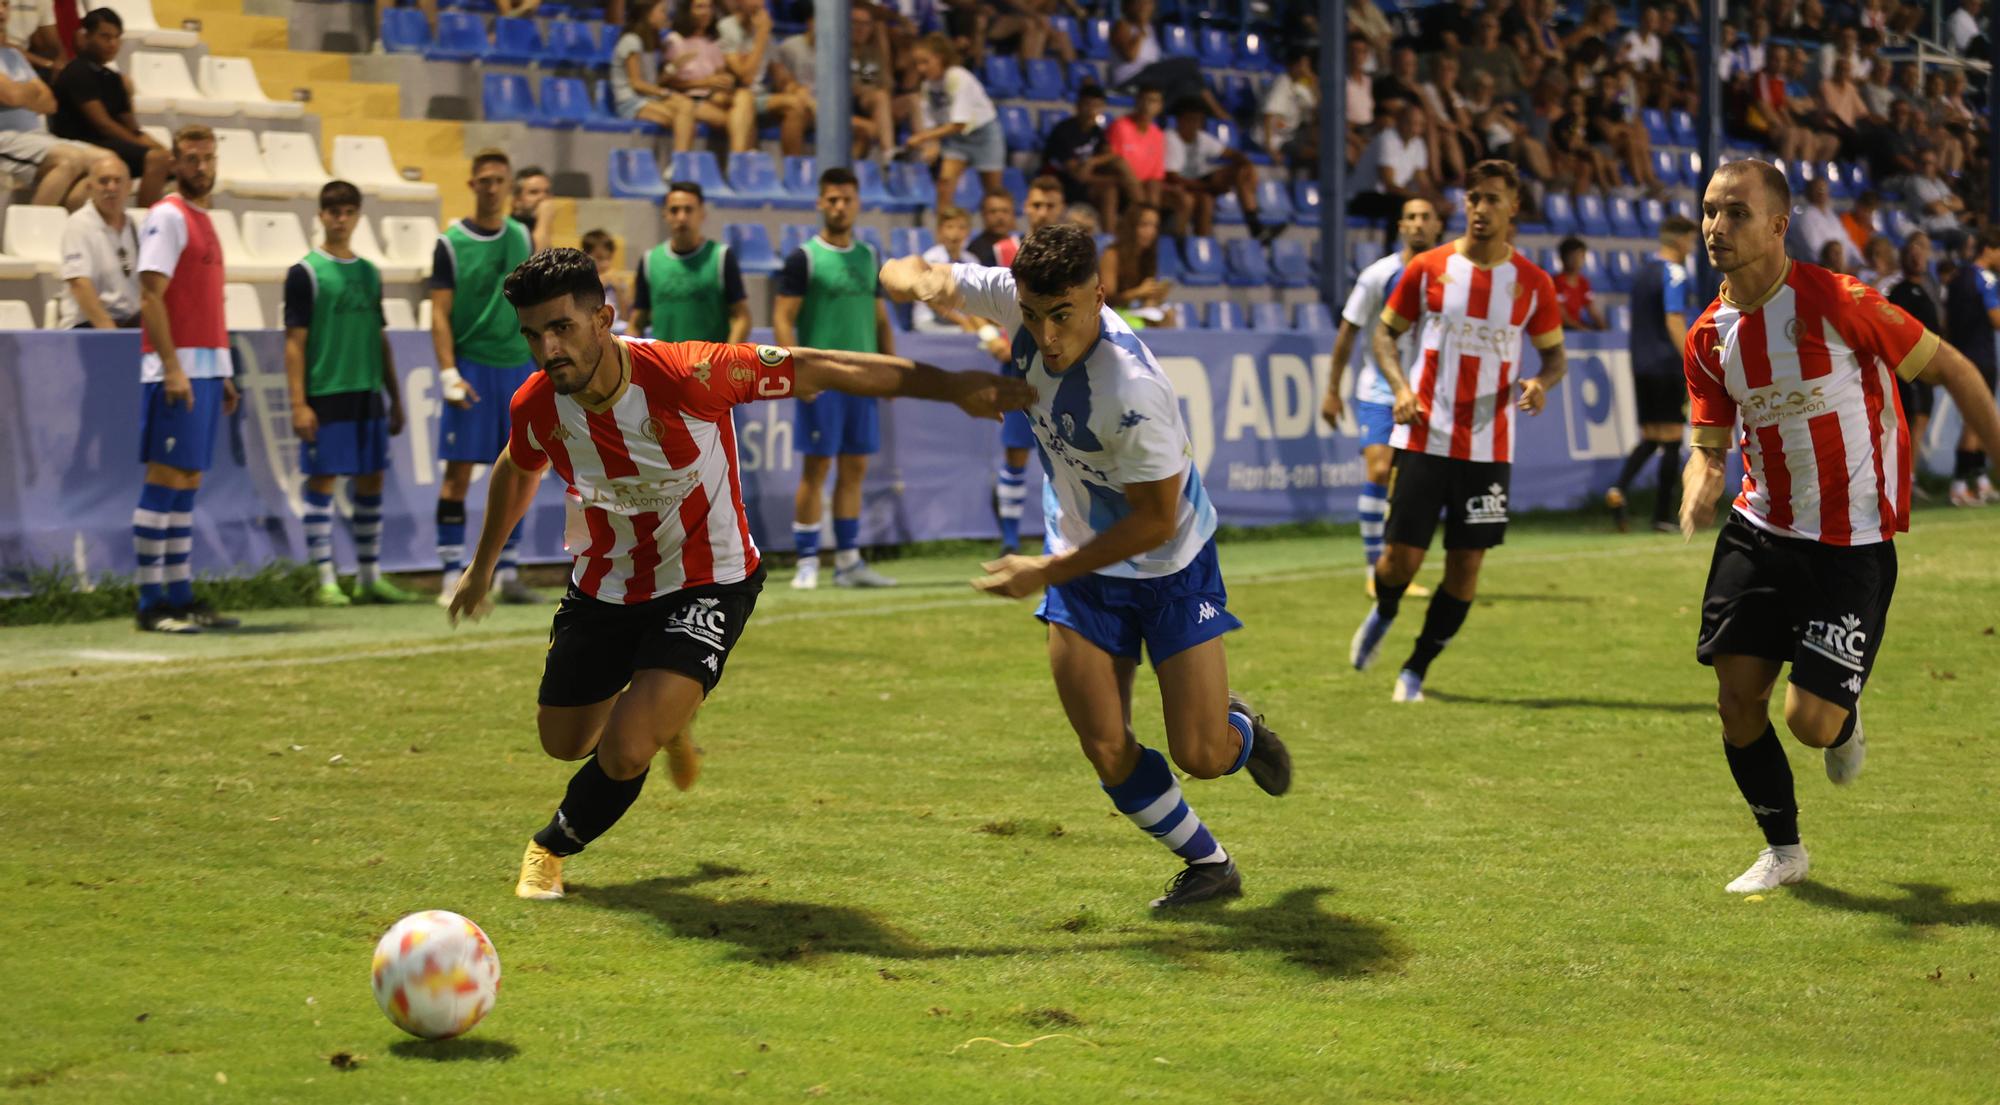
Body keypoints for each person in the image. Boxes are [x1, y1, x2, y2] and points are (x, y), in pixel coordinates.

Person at [449, 248, 1032, 900]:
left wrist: (950, 386)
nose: (546, 348)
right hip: (607, 586)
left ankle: (551, 844)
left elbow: (823, 364)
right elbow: (517, 464)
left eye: (561, 327)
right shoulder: (539, 403)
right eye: (533, 333)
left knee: (624, 749)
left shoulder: (689, 372)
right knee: (563, 740)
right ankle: (667, 706)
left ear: (604, 317)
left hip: (710, 580)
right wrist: (481, 566)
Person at [881, 225, 1295, 909]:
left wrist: (1044, 570)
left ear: (1099, 296)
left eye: (1063, 315)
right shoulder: (1018, 301)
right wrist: (927, 280)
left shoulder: (1131, 392)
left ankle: (1241, 728)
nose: (1046, 334)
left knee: (1202, 753)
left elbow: (1154, 521)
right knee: (1104, 744)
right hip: (1080, 565)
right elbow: (897, 268)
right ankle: (1210, 863)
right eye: (1035, 313)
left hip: (1169, 567)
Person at [1678, 159, 2000, 893]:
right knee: (1735, 699)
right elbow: (1709, 445)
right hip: (1759, 529)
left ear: (1778, 225)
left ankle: (1845, 716)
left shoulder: (1838, 301)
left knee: (1812, 723)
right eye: (1709, 211)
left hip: (1850, 542)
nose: (1716, 227)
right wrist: (1700, 484)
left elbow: (1955, 369)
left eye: (1735, 213)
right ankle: (1784, 850)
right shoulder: (1707, 338)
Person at [1348, 160, 1568, 703]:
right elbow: (1383, 334)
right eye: (1473, 198)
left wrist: (1541, 382)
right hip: (1425, 436)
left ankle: (1415, 669)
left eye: (1493, 199)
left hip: (1490, 449)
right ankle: (1386, 608)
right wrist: (1400, 387)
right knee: (1401, 562)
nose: (1480, 208)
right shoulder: (1428, 268)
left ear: (1513, 207)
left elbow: (1556, 356)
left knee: (1466, 568)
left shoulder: (1533, 283)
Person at [131, 126, 241, 634]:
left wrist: (224, 371)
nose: (201, 167)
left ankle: (180, 594)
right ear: (175, 163)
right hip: (174, 373)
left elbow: (206, 305)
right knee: (166, 478)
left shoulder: (204, 220)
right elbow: (150, 297)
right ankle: (151, 602)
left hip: (205, 371)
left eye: (208, 158)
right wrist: (173, 367)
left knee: (188, 483)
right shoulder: (168, 216)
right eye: (192, 159)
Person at [284, 181, 415, 608]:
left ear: (358, 216)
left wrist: (394, 394)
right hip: (327, 391)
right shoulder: (305, 272)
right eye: (332, 210)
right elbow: (294, 342)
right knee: (322, 481)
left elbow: (380, 338)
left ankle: (367, 576)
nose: (340, 218)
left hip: (367, 391)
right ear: (321, 215)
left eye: (348, 211)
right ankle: (324, 577)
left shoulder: (370, 272)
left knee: (371, 479)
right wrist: (299, 402)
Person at [429, 149, 541, 607]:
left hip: (518, 368)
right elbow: (438, 312)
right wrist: (448, 372)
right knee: (458, 474)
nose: (492, 187)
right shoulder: (450, 243)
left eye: (500, 180)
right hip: (473, 366)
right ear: (472, 185)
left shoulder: (523, 236)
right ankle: (449, 574)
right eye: (485, 180)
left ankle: (507, 572)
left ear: (509, 186)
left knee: (523, 469)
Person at [777, 167, 897, 589]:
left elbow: (880, 317)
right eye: (832, 199)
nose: (840, 206)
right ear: (820, 203)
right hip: (822, 381)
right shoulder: (803, 258)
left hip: (863, 380)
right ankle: (807, 561)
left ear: (857, 202)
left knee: (855, 468)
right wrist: (794, 371)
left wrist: (892, 369)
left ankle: (848, 562)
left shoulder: (869, 256)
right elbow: (783, 317)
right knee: (817, 468)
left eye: (847, 198)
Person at [1322, 196, 1444, 595]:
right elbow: (1348, 332)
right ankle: (1375, 568)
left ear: (1438, 225)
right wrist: (1332, 390)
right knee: (1378, 470)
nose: (1418, 224)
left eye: (1425, 217)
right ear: (1400, 227)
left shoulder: (1449, 276)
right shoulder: (1378, 275)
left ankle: (1396, 565)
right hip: (1378, 388)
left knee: (1410, 483)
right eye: (1410, 217)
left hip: (1428, 393)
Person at [1605, 215, 1697, 533]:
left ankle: (1618, 488)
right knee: (1672, 440)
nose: (1692, 247)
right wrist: (1690, 360)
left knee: (1651, 436)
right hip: (1665, 364)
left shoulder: (1643, 271)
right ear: (1681, 240)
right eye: (1691, 240)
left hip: (1641, 363)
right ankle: (1662, 516)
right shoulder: (1674, 273)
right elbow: (1673, 319)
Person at [48, 7, 171, 206]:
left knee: (168, 160)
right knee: (156, 160)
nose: (112, 44)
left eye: (116, 37)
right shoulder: (77, 71)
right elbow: (103, 124)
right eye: (105, 36)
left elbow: (133, 127)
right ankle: (147, 224)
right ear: (85, 37)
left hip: (111, 144)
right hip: (81, 142)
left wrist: (166, 152)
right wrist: (144, 148)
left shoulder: (114, 79)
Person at [0, 0, 95, 209]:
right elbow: (13, 96)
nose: (1, 11)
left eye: (5, 4)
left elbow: (50, 103)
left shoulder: (14, 56)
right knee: (68, 161)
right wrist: (30, 92)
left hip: (34, 137)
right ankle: (32, 235)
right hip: (5, 139)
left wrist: (21, 92)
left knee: (105, 164)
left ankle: (64, 234)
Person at [630, 181, 749, 344]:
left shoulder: (721, 257)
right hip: (663, 365)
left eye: (688, 209)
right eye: (674, 210)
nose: (682, 217)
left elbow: (742, 317)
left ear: (702, 213)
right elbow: (637, 321)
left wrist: (727, 357)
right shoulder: (650, 260)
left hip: (708, 366)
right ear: (665, 214)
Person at [902, 34, 1002, 216]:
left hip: (983, 135)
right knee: (945, 185)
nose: (921, 68)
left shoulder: (958, 77)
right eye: (917, 63)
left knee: (993, 193)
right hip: (956, 141)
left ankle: (997, 236)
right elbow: (931, 123)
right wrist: (933, 144)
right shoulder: (927, 86)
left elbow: (959, 124)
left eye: (925, 62)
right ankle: (944, 235)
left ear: (941, 57)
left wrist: (922, 138)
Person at [1163, 98, 1274, 243]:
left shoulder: (1201, 138)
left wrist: (1247, 165)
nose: (1194, 125)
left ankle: (1253, 223)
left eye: (1198, 121)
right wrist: (1209, 187)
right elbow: (1173, 178)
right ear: (1179, 120)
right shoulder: (1170, 138)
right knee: (1205, 200)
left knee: (1244, 170)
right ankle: (1185, 244)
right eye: (1191, 120)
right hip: (1177, 186)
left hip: (1199, 182)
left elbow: (1232, 154)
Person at [1942, 228, 2000, 505]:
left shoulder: (1957, 279)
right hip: (1982, 356)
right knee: (1976, 423)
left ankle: (1979, 481)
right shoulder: (1985, 279)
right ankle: (1959, 483)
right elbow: (1996, 318)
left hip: (1961, 354)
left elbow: (1946, 320)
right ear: (1989, 249)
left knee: (1973, 421)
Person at [663, 0, 756, 162]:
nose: (706, 12)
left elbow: (719, 75)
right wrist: (704, 83)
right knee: (741, 123)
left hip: (713, 97)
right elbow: (667, 83)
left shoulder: (713, 43)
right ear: (688, 11)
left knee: (744, 97)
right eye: (700, 7)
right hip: (688, 100)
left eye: (709, 7)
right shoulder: (675, 40)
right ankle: (740, 162)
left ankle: (738, 163)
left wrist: (724, 81)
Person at [718, 0, 813, 158]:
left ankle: (793, 168)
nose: (758, 3)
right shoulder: (727, 26)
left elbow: (780, 76)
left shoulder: (766, 32)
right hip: (734, 94)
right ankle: (739, 164)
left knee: (796, 104)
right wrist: (761, 35)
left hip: (760, 96)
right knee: (745, 98)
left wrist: (796, 89)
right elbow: (746, 78)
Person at [56, 152, 138, 329]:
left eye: (118, 181)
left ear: (129, 186)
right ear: (89, 186)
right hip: (88, 326)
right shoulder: (79, 225)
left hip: (129, 322)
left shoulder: (134, 225)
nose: (111, 187)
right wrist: (110, 334)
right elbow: (79, 284)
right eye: (104, 181)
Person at [1042, 84, 1135, 234]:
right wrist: (1113, 180)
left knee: (1119, 165)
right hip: (1063, 184)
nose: (1092, 110)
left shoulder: (1096, 131)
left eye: (1097, 106)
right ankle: (1110, 238)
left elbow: (1111, 154)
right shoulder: (1063, 131)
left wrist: (1092, 161)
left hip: (1085, 181)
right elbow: (1077, 176)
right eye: (1088, 105)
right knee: (1110, 190)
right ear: (1078, 105)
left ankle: (1141, 210)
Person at [609, 0, 698, 150]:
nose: (665, 16)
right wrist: (666, 93)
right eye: (662, 11)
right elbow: (636, 84)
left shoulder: (651, 41)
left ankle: (679, 162)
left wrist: (673, 67)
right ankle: (680, 164)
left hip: (648, 98)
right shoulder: (631, 41)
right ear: (647, 14)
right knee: (682, 120)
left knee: (687, 105)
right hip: (631, 102)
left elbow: (653, 81)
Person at [1100, 203, 1172, 323]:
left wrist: (1155, 295)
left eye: (1155, 226)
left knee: (1168, 314)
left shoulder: (1147, 256)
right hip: (1111, 315)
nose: (1151, 231)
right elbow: (1106, 300)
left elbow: (1145, 299)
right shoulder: (1112, 254)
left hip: (1133, 310)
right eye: (1144, 225)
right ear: (1131, 227)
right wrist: (1138, 293)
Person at [1106, 86, 1167, 209]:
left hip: (1146, 186)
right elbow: (1113, 161)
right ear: (1137, 101)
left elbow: (1156, 175)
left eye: (1153, 101)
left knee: (1157, 188)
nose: (1147, 105)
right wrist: (1134, 184)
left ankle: (1151, 221)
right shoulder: (1120, 126)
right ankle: (1142, 214)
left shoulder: (1158, 134)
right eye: (1143, 100)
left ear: (1160, 106)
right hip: (1120, 182)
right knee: (1125, 173)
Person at [1262, 49, 1319, 180]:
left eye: (1307, 66)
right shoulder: (1282, 82)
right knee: (1316, 154)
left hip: (1294, 135)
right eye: (1302, 65)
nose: (1305, 70)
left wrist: (1313, 81)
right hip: (1278, 138)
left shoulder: (1301, 86)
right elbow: (1269, 115)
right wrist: (1270, 148)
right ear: (1293, 65)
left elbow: (1319, 108)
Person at [581, 229, 630, 333]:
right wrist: (600, 282)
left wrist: (619, 290)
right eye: (599, 258)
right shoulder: (582, 281)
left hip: (615, 329)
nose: (605, 264)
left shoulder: (616, 282)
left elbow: (625, 317)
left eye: (608, 258)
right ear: (585, 256)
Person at [1552, 236, 1605, 331]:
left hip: (1575, 329)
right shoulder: (1555, 282)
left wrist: (1604, 328)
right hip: (1559, 330)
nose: (1577, 260)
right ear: (1563, 258)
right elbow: (1561, 315)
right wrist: (1582, 329)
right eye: (1572, 256)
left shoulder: (1583, 282)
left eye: (1581, 256)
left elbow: (1592, 310)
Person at [966, 190, 1019, 268]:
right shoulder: (974, 250)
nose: (1000, 217)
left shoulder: (1021, 243)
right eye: (993, 211)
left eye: (1005, 211)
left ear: (1013, 214)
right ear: (983, 215)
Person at [511, 167, 557, 254]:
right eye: (534, 192)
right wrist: (544, 220)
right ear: (516, 200)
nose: (543, 197)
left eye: (547, 192)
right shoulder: (510, 230)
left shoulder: (539, 227)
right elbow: (537, 264)